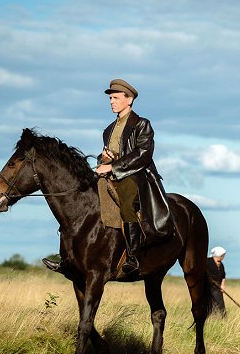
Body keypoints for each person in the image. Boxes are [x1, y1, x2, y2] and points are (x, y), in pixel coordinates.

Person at [43, 78, 173, 276]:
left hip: (136, 176)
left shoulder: (142, 124)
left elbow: (143, 154)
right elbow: (107, 156)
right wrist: (103, 159)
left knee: (128, 203)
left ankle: (133, 257)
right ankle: (68, 257)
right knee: (79, 202)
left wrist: (113, 165)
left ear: (129, 100)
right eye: (110, 98)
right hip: (112, 173)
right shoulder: (108, 130)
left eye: (115, 98)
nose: (111, 101)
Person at [206, 246, 227, 317]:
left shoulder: (221, 265)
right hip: (208, 287)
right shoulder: (208, 261)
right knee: (211, 304)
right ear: (219, 255)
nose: (224, 256)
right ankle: (212, 318)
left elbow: (223, 276)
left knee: (220, 304)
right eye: (223, 255)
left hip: (217, 287)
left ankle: (223, 318)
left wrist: (223, 285)